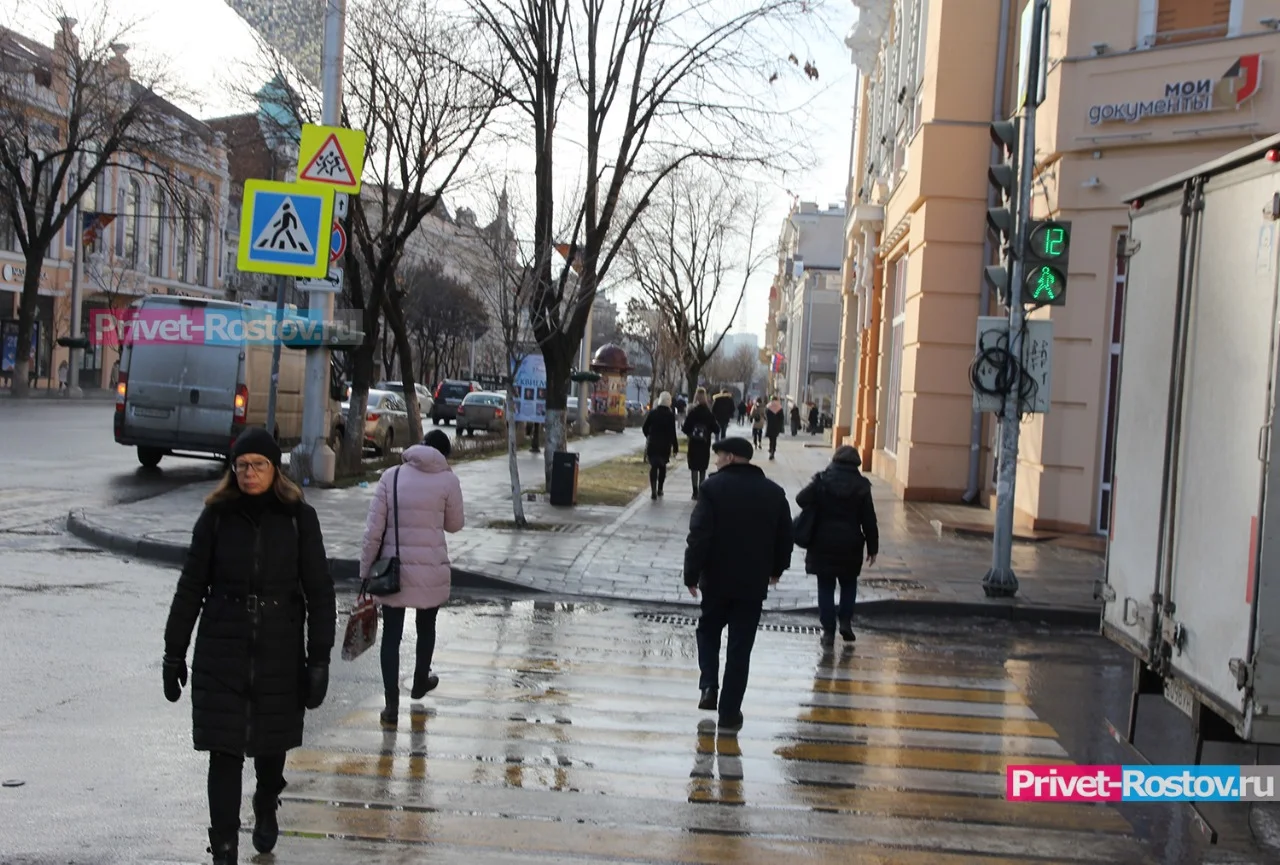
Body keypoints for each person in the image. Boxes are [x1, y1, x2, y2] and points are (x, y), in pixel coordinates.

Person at [162, 427, 336, 864]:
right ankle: (223, 848)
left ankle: (265, 799)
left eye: (257, 465)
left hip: (279, 651)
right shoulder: (216, 517)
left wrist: (318, 660)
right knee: (223, 753)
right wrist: (173, 651)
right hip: (222, 651)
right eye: (241, 466)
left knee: (269, 749)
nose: (248, 473)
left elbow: (320, 591)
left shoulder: (298, 517)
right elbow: (190, 587)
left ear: (274, 469)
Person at [684, 437, 793, 730]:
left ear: (730, 457)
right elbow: (785, 536)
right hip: (752, 584)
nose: (716, 462)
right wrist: (777, 569)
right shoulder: (773, 492)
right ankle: (730, 713)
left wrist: (691, 573)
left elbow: (699, 535)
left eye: (718, 457)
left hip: (716, 580)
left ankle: (709, 685)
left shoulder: (711, 489)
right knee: (740, 648)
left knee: (707, 630)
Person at [361, 429, 465, 727]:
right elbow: (455, 525)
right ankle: (420, 680)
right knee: (426, 625)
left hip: (393, 571)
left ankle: (391, 706)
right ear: (444, 455)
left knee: (391, 637)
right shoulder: (448, 479)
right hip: (431, 568)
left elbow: (373, 532)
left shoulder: (391, 477)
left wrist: (366, 569)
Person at [795, 446, 879, 645]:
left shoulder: (822, 480)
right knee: (849, 584)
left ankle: (828, 630)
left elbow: (800, 499)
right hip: (851, 542)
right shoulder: (862, 486)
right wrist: (873, 547)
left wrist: (817, 488)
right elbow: (869, 519)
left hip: (822, 541)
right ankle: (845, 622)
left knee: (825, 585)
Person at [642, 392, 679, 499]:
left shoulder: (653, 413)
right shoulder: (670, 415)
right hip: (665, 445)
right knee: (662, 466)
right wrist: (675, 446)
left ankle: (653, 489)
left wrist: (648, 435)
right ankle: (660, 489)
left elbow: (645, 427)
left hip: (653, 443)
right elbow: (673, 432)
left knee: (653, 466)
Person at [683, 387, 716, 500]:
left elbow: (685, 428)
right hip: (704, 444)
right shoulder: (708, 413)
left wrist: (691, 433)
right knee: (702, 468)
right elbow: (716, 429)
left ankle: (694, 491)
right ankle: (701, 490)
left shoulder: (692, 412)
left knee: (694, 468)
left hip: (693, 443)